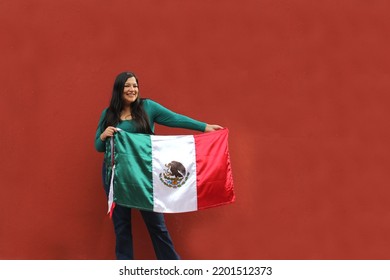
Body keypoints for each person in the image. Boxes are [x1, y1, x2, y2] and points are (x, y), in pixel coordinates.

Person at [95, 71, 222, 260]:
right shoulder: (109, 114)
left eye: (135, 85)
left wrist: (204, 127)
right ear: (119, 89)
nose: (132, 89)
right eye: (127, 86)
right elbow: (98, 146)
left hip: (144, 177)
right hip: (116, 177)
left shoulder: (148, 107)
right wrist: (104, 136)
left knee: (157, 226)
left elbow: (175, 118)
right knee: (121, 228)